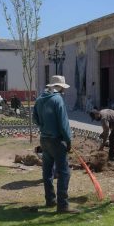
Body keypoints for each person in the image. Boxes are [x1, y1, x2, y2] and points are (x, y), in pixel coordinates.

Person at [33, 75, 79, 214]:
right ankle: (63, 205)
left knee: (47, 172)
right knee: (64, 173)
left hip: (44, 139)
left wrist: (44, 126)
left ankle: (50, 200)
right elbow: (64, 124)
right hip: (56, 141)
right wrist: (69, 140)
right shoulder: (58, 99)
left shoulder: (40, 99)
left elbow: (35, 118)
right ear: (60, 87)